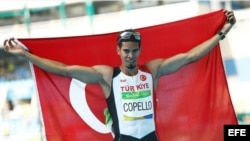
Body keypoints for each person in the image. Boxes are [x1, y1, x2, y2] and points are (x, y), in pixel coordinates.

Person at [3, 10, 236, 141]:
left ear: (140, 51)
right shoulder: (106, 76)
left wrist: (221, 34)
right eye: (126, 51)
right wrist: (26, 56)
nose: (130, 56)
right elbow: (64, 70)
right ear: (118, 51)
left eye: (134, 51)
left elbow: (189, 57)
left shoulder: (151, 71)